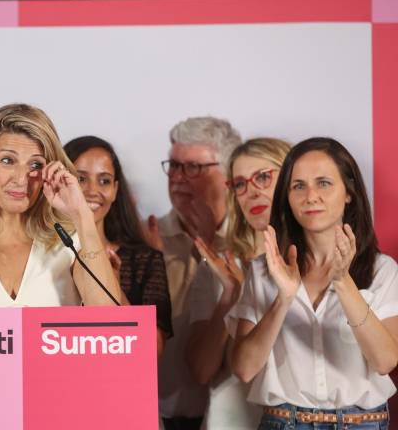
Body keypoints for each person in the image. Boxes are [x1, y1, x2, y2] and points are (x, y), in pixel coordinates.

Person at [231, 137, 398, 430]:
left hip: (362, 423)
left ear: (349, 192)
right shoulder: (263, 271)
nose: (311, 196)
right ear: (287, 196)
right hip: (284, 422)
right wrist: (284, 298)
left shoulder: (382, 270)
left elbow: (385, 361)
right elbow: (244, 369)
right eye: (298, 186)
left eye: (323, 183)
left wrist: (343, 281)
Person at [0, 103, 125, 308]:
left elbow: (110, 324)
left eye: (35, 164)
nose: (21, 179)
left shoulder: (72, 243)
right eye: (8, 160)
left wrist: (81, 214)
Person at [185, 138, 291, 429]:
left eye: (263, 178)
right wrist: (231, 297)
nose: (252, 192)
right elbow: (200, 371)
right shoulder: (219, 265)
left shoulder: (316, 263)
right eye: (240, 184)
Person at [153, 116, 241, 430]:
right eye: (173, 166)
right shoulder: (147, 240)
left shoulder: (252, 246)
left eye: (193, 168)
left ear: (230, 174)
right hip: (158, 417)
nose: (178, 178)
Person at [64, 135, 172, 356]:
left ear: (115, 190)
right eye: (81, 179)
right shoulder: (41, 254)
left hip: (114, 386)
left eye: (104, 181)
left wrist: (111, 285)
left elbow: (153, 351)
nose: (92, 190)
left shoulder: (143, 259)